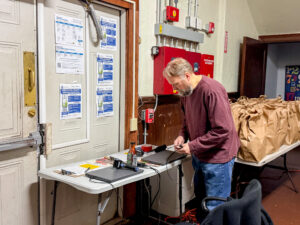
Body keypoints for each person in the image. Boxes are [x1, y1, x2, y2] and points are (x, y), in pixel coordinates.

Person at [163, 58, 240, 220]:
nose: (174, 88)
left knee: (215, 207)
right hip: (201, 153)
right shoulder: (186, 92)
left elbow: (222, 130)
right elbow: (187, 119)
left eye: (175, 84)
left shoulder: (211, 90)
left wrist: (192, 147)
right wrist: (181, 135)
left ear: (187, 76)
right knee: (202, 200)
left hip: (218, 157)